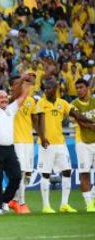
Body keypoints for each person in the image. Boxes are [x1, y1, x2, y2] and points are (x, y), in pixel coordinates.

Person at [36, 79, 94, 214]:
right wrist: (42, 137)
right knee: (45, 174)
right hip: (46, 143)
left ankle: (64, 204)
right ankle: (46, 206)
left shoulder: (63, 103)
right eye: (45, 89)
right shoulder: (41, 103)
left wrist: (90, 121)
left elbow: (76, 115)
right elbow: (40, 121)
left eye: (49, 88)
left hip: (61, 143)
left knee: (67, 171)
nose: (46, 91)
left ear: (56, 88)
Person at [0, 64, 31, 215]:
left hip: (9, 149)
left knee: (16, 176)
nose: (3, 99)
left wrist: (27, 82)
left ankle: (4, 201)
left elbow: (23, 96)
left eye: (5, 97)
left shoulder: (11, 109)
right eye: (0, 97)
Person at [8, 74, 38, 214]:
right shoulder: (9, 100)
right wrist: (22, 80)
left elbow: (34, 120)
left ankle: (14, 200)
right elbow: (15, 94)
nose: (21, 86)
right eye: (17, 84)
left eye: (23, 84)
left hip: (29, 141)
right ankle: (22, 203)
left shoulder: (31, 101)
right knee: (20, 172)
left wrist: (41, 136)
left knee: (26, 173)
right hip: (16, 140)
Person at [71, 79, 95, 212]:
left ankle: (92, 196)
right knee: (84, 173)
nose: (79, 90)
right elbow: (80, 121)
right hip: (82, 142)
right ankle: (89, 204)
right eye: (77, 88)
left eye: (81, 87)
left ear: (87, 88)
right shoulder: (73, 104)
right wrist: (92, 126)